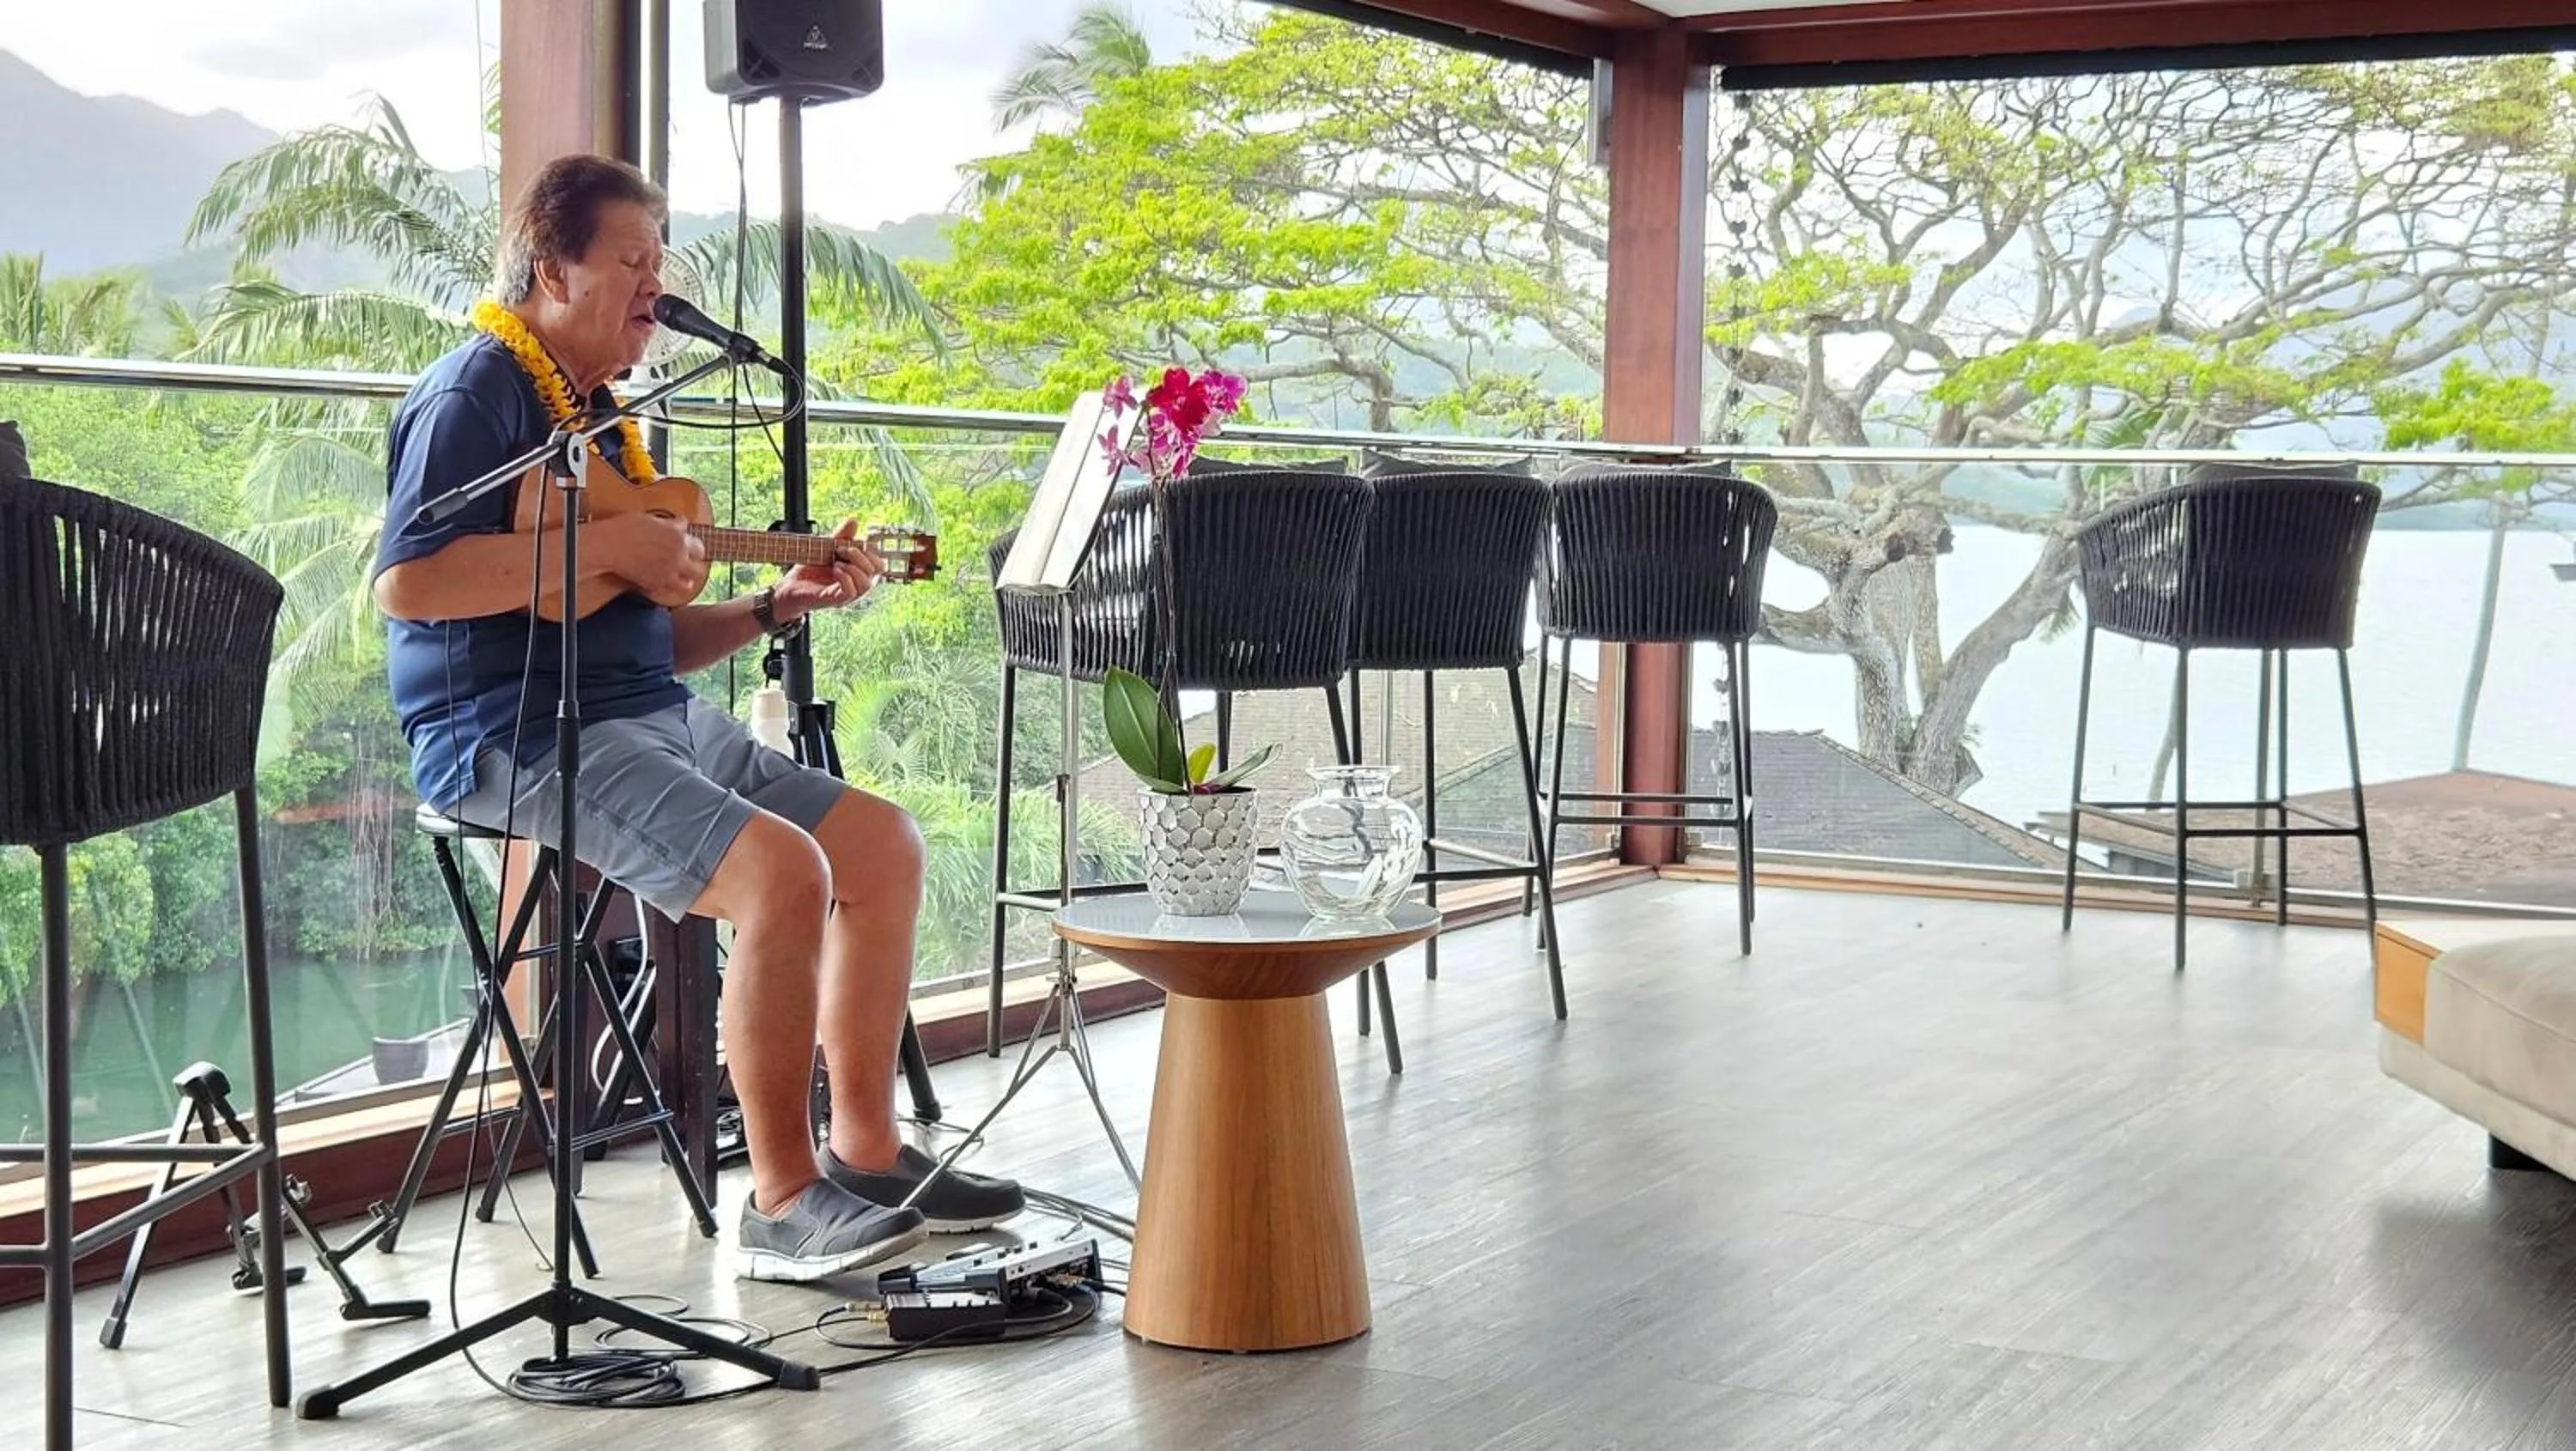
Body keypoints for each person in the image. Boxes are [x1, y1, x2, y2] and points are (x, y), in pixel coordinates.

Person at [371, 153, 1021, 1284]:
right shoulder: (478, 390)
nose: (653, 288)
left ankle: (865, 1151)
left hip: (642, 710)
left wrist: (771, 602)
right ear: (548, 265)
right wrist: (603, 545)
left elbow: (641, 641)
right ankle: (780, 1203)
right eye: (630, 261)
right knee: (784, 874)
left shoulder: (605, 419)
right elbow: (408, 583)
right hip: (510, 734)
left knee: (882, 844)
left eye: (659, 263)